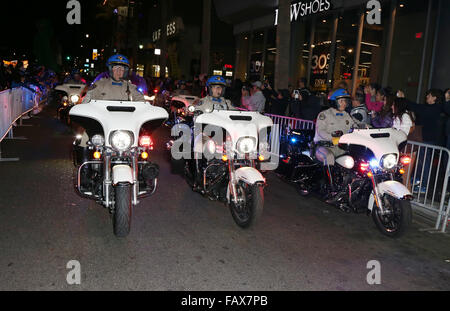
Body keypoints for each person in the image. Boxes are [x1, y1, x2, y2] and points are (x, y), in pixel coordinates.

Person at [314, 89, 357, 166]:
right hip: (325, 147)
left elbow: (356, 126)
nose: (344, 103)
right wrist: (334, 138)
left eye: (345, 101)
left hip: (341, 148)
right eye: (341, 101)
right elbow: (321, 131)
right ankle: (328, 178)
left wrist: (366, 128)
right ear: (334, 102)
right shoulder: (324, 115)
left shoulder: (346, 115)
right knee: (329, 157)